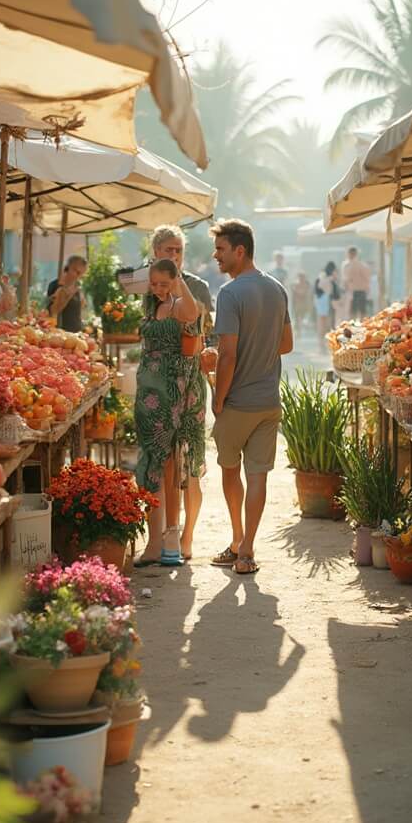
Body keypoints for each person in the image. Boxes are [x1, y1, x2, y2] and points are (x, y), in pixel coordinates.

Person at [208, 219, 292, 576]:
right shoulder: (277, 289)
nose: (216, 256)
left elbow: (227, 355)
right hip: (268, 401)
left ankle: (236, 540)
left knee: (231, 472)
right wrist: (262, 347)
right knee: (258, 476)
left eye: (221, 249)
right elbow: (286, 345)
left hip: (237, 402)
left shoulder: (229, 294)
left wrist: (218, 398)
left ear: (240, 251)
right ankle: (247, 552)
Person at [146, 224, 214, 561]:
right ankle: (160, 539)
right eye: (168, 250)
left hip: (188, 383)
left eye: (178, 251)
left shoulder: (196, 286)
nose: (173, 256)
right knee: (162, 462)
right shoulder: (146, 287)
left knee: (190, 464)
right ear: (155, 252)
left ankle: (187, 537)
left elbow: (205, 331)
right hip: (156, 386)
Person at [132, 259, 203, 568]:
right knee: (150, 463)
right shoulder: (152, 304)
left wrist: (178, 282)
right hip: (148, 392)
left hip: (171, 395)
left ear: (174, 281)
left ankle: (168, 540)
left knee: (167, 464)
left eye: (164, 283)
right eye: (154, 283)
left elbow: (193, 313)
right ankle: (153, 540)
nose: (158, 289)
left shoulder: (178, 304)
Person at [46, 255, 87, 332]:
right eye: (77, 272)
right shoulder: (56, 285)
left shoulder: (77, 287)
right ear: (68, 268)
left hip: (76, 333)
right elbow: (53, 311)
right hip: (60, 334)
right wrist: (66, 293)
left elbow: (81, 309)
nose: (79, 277)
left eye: (81, 274)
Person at [314, 261, 340, 352]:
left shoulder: (320, 277)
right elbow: (335, 294)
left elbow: (316, 291)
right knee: (329, 325)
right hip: (328, 304)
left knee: (321, 325)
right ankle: (327, 346)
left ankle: (321, 346)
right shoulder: (331, 279)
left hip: (320, 304)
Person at [341, 246, 372, 319]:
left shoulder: (351, 265)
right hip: (353, 291)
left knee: (359, 312)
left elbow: (345, 280)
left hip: (357, 291)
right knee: (354, 312)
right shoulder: (349, 265)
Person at [290, 271, 313, 337]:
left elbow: (308, 293)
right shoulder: (295, 285)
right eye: (300, 277)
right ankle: (298, 332)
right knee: (297, 318)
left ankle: (301, 331)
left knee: (303, 318)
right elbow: (294, 295)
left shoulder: (307, 284)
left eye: (302, 277)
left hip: (305, 304)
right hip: (298, 304)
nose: (301, 279)